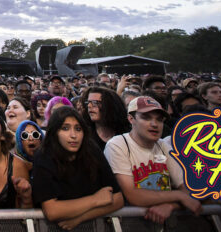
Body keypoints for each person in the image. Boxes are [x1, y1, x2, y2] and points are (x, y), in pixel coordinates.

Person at [104, 96, 200, 225]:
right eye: (146, 117)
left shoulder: (164, 145)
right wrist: (178, 196)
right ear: (131, 119)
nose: (154, 124)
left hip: (164, 222)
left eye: (159, 119)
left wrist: (171, 206)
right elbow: (133, 196)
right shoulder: (117, 144)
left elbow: (189, 190)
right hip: (131, 223)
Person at [32, 107, 123, 230]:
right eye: (65, 128)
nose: (73, 135)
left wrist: (80, 218)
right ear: (54, 132)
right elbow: (52, 211)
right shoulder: (43, 156)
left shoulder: (91, 149)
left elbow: (117, 199)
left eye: (78, 129)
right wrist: (95, 199)